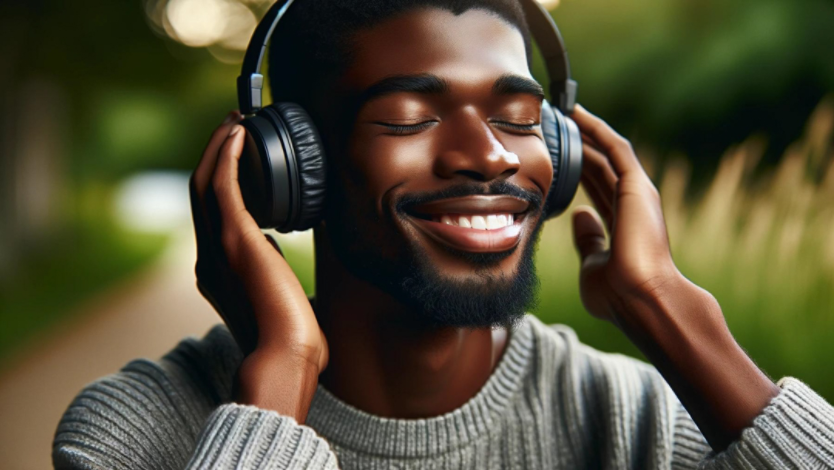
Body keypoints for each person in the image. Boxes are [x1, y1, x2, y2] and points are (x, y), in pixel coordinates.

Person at [53, 0, 834, 468]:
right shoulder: (136, 433)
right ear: (289, 163)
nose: (489, 153)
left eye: (520, 120)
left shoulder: (644, 422)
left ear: (559, 157)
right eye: (408, 118)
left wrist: (671, 310)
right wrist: (275, 393)